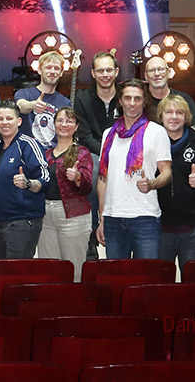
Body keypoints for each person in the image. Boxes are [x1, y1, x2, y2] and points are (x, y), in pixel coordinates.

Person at [96, 79, 172, 259]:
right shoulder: (109, 134)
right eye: (127, 98)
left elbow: (167, 172)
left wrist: (152, 184)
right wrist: (102, 217)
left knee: (146, 279)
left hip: (145, 217)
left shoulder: (157, 131)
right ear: (120, 101)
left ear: (144, 102)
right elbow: (102, 178)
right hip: (113, 218)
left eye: (137, 99)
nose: (132, 103)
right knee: (116, 280)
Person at [157, 95, 195, 271]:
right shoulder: (151, 141)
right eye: (169, 112)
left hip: (193, 228)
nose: (174, 117)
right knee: (158, 282)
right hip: (159, 227)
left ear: (186, 116)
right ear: (161, 116)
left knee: (193, 282)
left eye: (179, 112)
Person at [0, 100, 49, 260]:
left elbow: (45, 179)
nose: (4, 123)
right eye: (0, 119)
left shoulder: (29, 145)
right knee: (0, 274)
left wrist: (27, 183)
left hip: (22, 222)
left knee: (17, 276)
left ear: (19, 121)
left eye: (9, 118)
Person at [74, 50, 121, 258]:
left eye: (109, 70)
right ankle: (91, 235)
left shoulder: (126, 97)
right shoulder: (82, 99)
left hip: (125, 153)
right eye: (100, 70)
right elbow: (84, 136)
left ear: (116, 72)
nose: (105, 74)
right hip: (93, 152)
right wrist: (105, 156)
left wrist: (116, 156)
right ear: (93, 73)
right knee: (92, 172)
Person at [37, 106, 92, 280]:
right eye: (60, 120)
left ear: (76, 127)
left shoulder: (82, 153)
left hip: (73, 216)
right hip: (45, 216)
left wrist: (77, 177)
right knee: (48, 270)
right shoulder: (44, 154)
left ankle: (74, 306)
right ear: (53, 125)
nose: (64, 124)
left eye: (69, 121)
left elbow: (87, 186)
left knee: (74, 271)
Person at [15, 51, 70, 150]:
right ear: (39, 70)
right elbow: (20, 106)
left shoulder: (65, 102)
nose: (52, 71)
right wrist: (33, 105)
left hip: (53, 155)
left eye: (56, 68)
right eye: (48, 67)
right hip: (28, 153)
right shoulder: (24, 93)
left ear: (61, 73)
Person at [144, 56, 195, 126]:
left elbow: (193, 129)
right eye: (151, 70)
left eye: (161, 69)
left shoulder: (184, 99)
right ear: (146, 76)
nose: (157, 74)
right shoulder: (140, 101)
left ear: (169, 72)